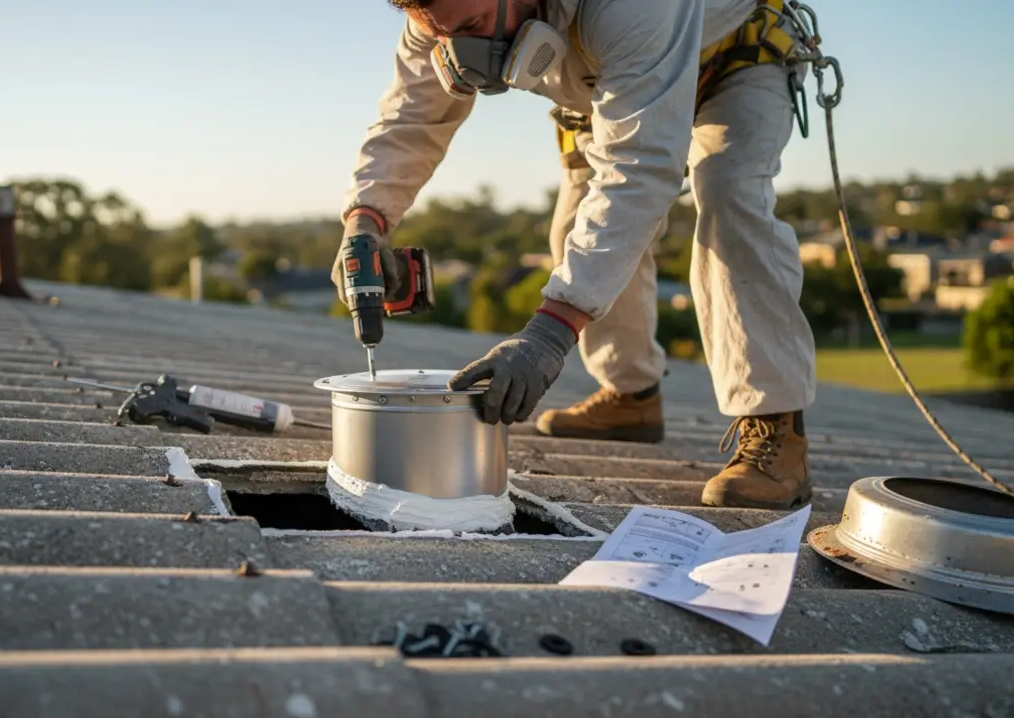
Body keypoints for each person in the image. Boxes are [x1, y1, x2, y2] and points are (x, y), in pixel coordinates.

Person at [333, 0, 819, 511]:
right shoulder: (440, 18)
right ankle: (631, 397)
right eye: (443, 36)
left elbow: (639, 169)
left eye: (474, 27)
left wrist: (549, 334)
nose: (462, 52)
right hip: (605, 86)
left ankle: (776, 431)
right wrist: (366, 220)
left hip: (731, 59)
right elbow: (410, 118)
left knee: (728, 197)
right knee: (575, 226)